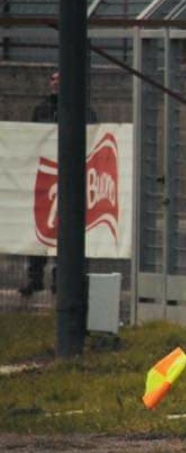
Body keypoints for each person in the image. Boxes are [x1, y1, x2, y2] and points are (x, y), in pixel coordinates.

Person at [21, 69, 98, 297]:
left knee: (65, 232)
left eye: (60, 80)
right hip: (46, 177)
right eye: (53, 80)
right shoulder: (42, 108)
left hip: (72, 179)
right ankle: (34, 278)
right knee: (39, 230)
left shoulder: (83, 109)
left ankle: (60, 280)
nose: (56, 84)